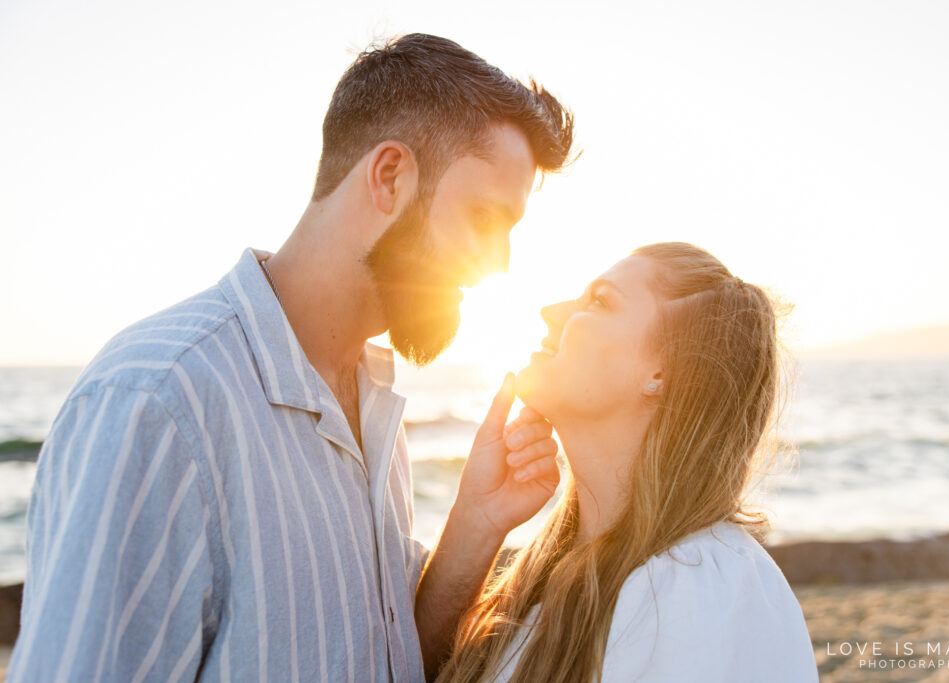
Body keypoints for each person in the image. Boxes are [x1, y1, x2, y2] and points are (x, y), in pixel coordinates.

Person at [8, 33, 573, 681]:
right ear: (389, 176)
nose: (498, 263)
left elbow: (379, 659)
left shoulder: (371, 403)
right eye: (483, 217)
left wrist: (475, 521)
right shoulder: (161, 398)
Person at [437, 243, 819, 682]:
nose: (550, 310)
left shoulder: (693, 590)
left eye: (599, 301)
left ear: (662, 372)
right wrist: (478, 520)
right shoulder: (553, 578)